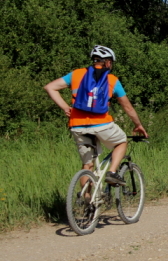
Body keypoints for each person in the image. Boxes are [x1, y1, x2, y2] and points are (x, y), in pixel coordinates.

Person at [44, 46, 148, 186]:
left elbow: (50, 87)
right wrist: (138, 125)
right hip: (102, 124)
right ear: (107, 62)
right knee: (122, 141)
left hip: (77, 125)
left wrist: (65, 107)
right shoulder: (112, 80)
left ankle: (87, 202)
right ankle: (112, 173)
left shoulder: (75, 75)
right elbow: (127, 107)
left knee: (87, 166)